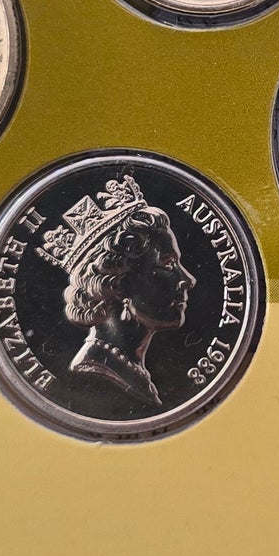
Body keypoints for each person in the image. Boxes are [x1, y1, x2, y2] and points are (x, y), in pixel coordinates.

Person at [38, 174, 193, 411]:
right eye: (168, 264)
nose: (188, 280)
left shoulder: (130, 370)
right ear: (118, 284)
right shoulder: (95, 376)